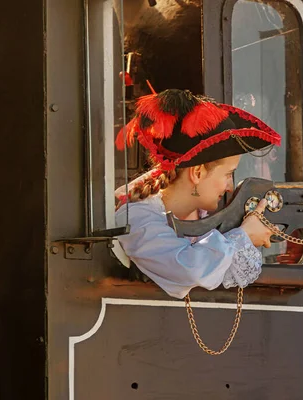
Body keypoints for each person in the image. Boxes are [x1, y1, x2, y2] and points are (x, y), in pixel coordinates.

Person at [114, 88, 281, 299]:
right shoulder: (136, 219)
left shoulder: (204, 218)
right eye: (228, 174)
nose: (230, 187)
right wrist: (244, 236)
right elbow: (190, 268)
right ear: (197, 172)